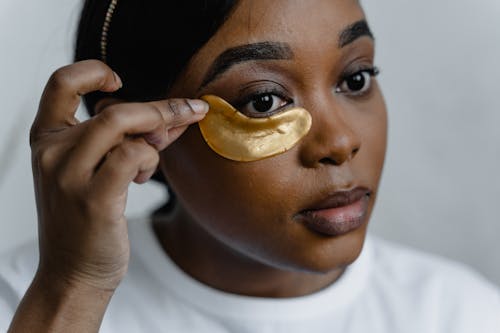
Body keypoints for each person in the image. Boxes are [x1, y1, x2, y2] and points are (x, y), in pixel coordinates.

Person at [1, 0, 499, 332]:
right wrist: (75, 288)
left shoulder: (458, 314)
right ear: (136, 135)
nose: (341, 142)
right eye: (263, 101)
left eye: (356, 78)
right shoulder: (25, 299)